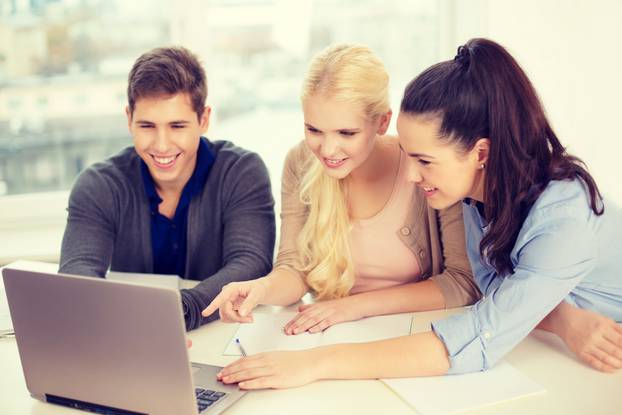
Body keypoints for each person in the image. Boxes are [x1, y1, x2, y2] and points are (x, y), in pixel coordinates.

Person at [211, 38, 622, 390]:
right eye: (408, 156)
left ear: (480, 153)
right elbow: (501, 295)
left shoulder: (562, 218)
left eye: (424, 160)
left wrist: (315, 364)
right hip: (565, 355)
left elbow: (477, 337)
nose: (410, 175)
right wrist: (564, 319)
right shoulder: (474, 196)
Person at [203, 43, 478, 341]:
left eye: (347, 133)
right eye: (314, 130)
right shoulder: (300, 162)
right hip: (331, 334)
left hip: (414, 335)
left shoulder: (423, 165)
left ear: (382, 122)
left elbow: (461, 282)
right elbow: (294, 270)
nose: (328, 150)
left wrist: (354, 307)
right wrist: (260, 289)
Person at [59, 46, 276, 330]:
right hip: (128, 334)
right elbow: (77, 274)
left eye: (177, 126)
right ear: (129, 120)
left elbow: (251, 262)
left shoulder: (241, 172)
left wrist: (178, 313)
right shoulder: (99, 185)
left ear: (204, 120)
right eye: (147, 126)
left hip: (221, 330)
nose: (162, 145)